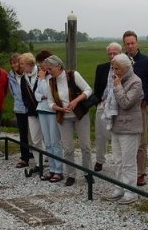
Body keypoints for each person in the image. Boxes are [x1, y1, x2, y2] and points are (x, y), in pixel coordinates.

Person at [45, 55, 93, 186]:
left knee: (86, 146)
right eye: (47, 69)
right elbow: (50, 102)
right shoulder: (51, 82)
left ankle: (88, 172)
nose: (49, 72)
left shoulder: (73, 75)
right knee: (68, 148)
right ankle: (71, 175)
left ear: (58, 66)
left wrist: (76, 101)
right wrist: (59, 108)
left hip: (80, 115)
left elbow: (88, 90)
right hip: (63, 117)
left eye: (50, 69)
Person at [122, 30, 148, 186]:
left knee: (141, 141)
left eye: (132, 43)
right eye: (127, 44)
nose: (130, 46)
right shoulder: (120, 61)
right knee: (125, 140)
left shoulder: (146, 62)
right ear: (124, 44)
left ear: (137, 43)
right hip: (124, 107)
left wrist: (147, 100)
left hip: (140, 108)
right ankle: (128, 171)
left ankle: (140, 173)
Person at [106, 53, 143, 204]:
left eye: (117, 69)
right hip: (116, 125)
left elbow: (126, 103)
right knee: (118, 160)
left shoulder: (136, 82)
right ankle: (119, 187)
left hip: (129, 127)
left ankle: (131, 191)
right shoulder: (117, 80)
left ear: (125, 68)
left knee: (128, 161)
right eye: (113, 68)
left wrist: (118, 87)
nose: (114, 72)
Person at [34, 50, 65, 181]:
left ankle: (59, 169)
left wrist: (42, 81)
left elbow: (49, 92)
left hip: (52, 111)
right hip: (42, 109)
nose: (41, 66)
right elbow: (36, 94)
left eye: (42, 63)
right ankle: (51, 168)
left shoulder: (52, 76)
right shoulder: (41, 76)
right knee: (47, 142)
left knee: (54, 141)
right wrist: (42, 96)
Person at [93, 42, 122, 172]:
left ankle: (120, 163)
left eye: (114, 53)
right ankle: (99, 160)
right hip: (103, 104)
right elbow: (97, 88)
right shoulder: (101, 68)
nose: (111, 56)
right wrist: (99, 102)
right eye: (109, 53)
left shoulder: (126, 69)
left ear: (120, 54)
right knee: (101, 135)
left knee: (120, 134)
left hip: (120, 106)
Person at [20, 52, 45, 171]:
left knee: (50, 139)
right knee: (35, 139)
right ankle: (39, 164)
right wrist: (29, 105)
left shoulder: (42, 72)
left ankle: (55, 164)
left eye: (22, 64)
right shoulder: (23, 78)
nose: (21, 67)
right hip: (31, 112)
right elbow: (24, 95)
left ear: (30, 64)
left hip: (44, 110)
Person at [9, 53, 32, 168]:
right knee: (23, 134)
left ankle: (39, 154)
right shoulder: (11, 75)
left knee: (35, 133)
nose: (14, 65)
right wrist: (19, 101)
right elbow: (12, 92)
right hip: (19, 108)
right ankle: (24, 158)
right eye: (12, 63)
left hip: (31, 107)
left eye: (16, 62)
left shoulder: (28, 73)